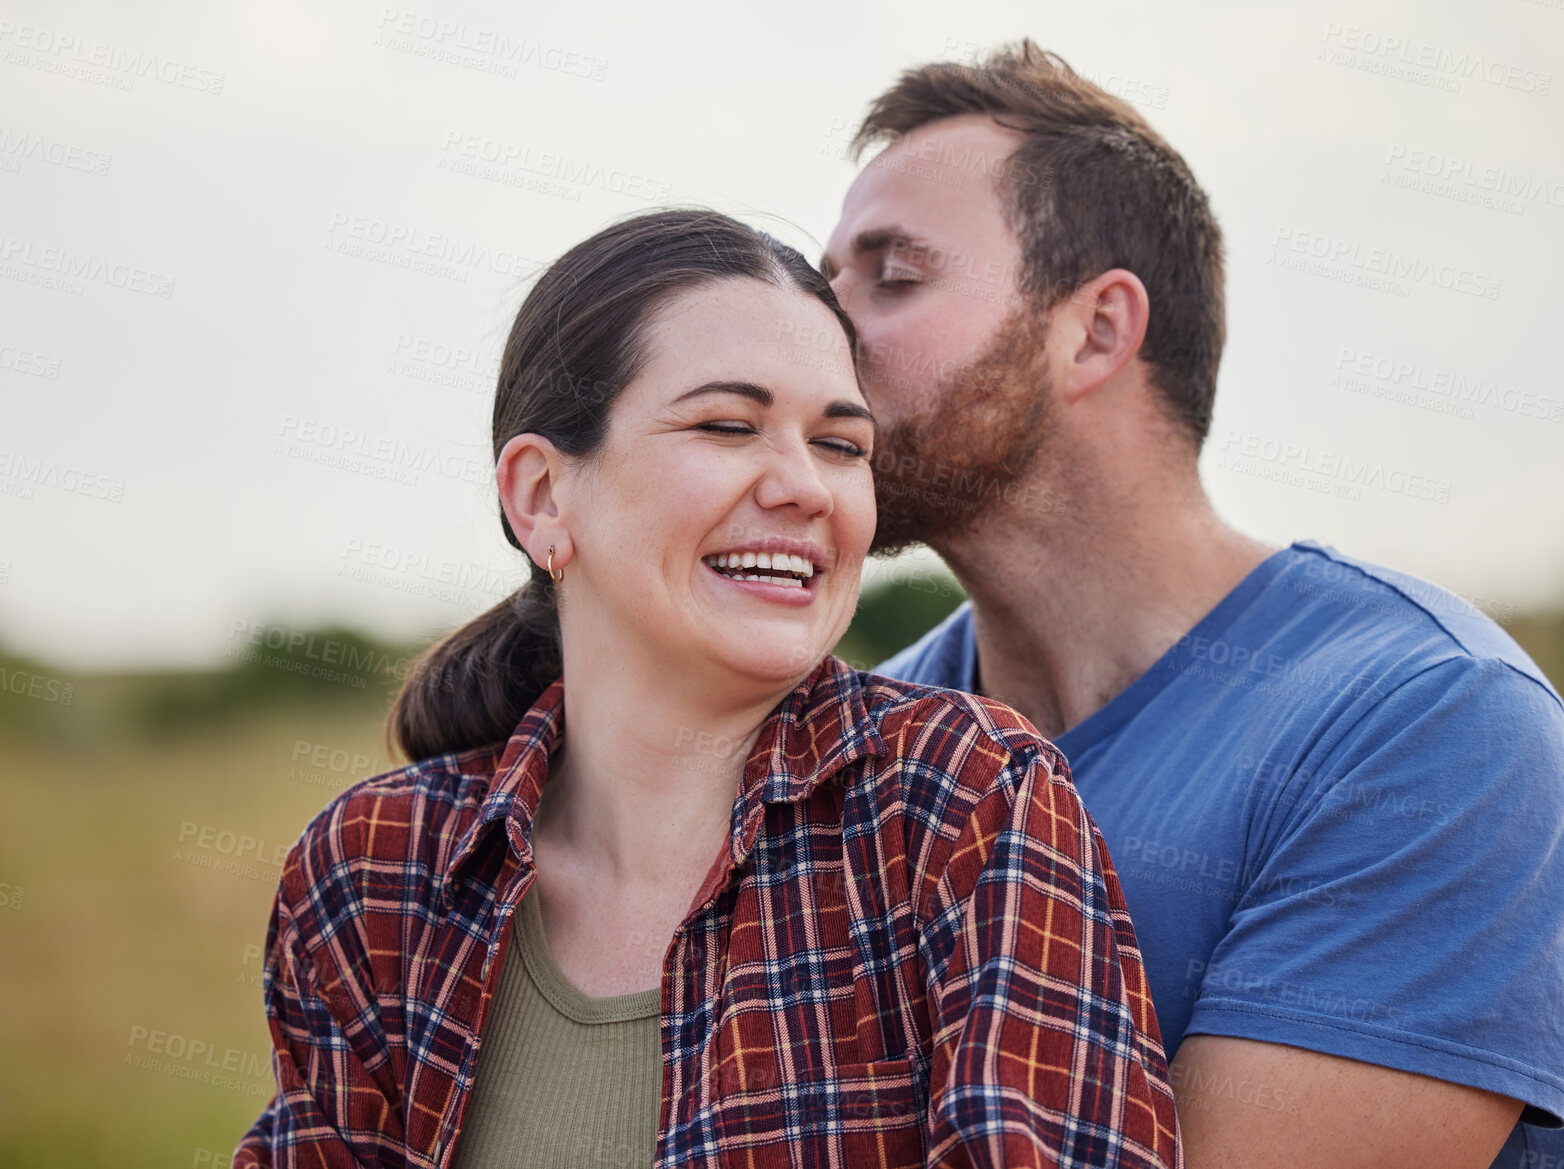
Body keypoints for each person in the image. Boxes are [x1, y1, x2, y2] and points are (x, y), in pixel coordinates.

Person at [820, 40, 1564, 1169]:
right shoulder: (854, 739)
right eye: (825, 285)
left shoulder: (1427, 728)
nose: (817, 334)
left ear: (1097, 330)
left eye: (891, 277)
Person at [232, 208, 1182, 1168]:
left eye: (842, 444)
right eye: (727, 426)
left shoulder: (968, 803)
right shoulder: (372, 870)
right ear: (542, 497)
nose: (805, 486)